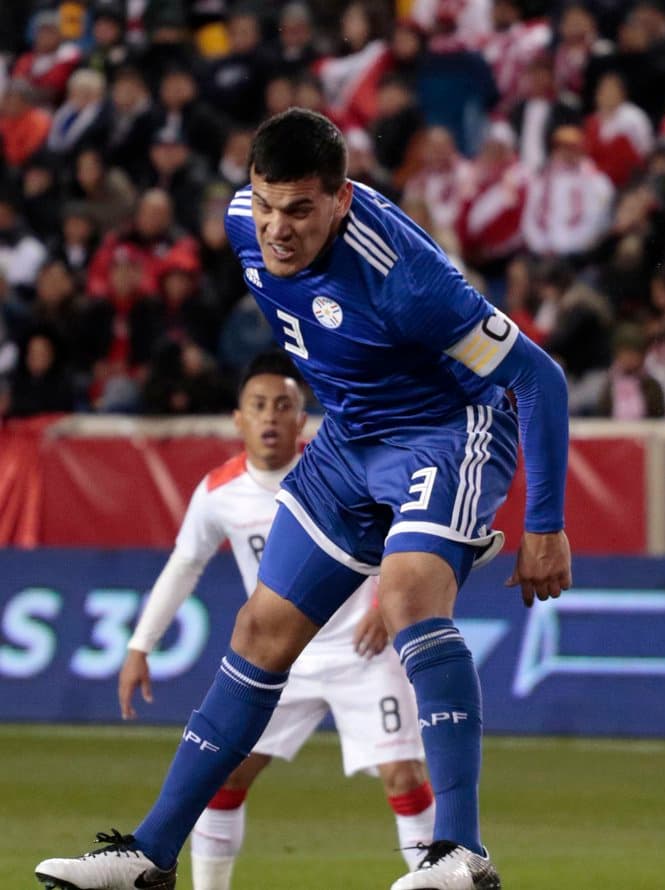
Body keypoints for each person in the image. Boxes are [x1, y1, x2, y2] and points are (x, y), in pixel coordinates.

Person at [35, 108, 572, 890]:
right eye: (266, 203)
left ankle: (460, 853)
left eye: (301, 209)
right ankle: (149, 854)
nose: (278, 228)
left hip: (445, 432)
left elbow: (538, 377)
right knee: (259, 627)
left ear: (342, 199)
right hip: (347, 440)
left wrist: (546, 525)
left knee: (411, 590)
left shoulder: (408, 276)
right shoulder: (240, 224)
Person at [118, 351, 434, 889]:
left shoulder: (339, 473)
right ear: (238, 418)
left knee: (404, 776)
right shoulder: (220, 492)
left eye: (283, 405)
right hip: (280, 658)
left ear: (301, 419)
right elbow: (185, 563)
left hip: (363, 654)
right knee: (227, 773)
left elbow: (402, 529)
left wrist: (384, 600)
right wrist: (139, 645)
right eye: (258, 405)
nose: (269, 416)